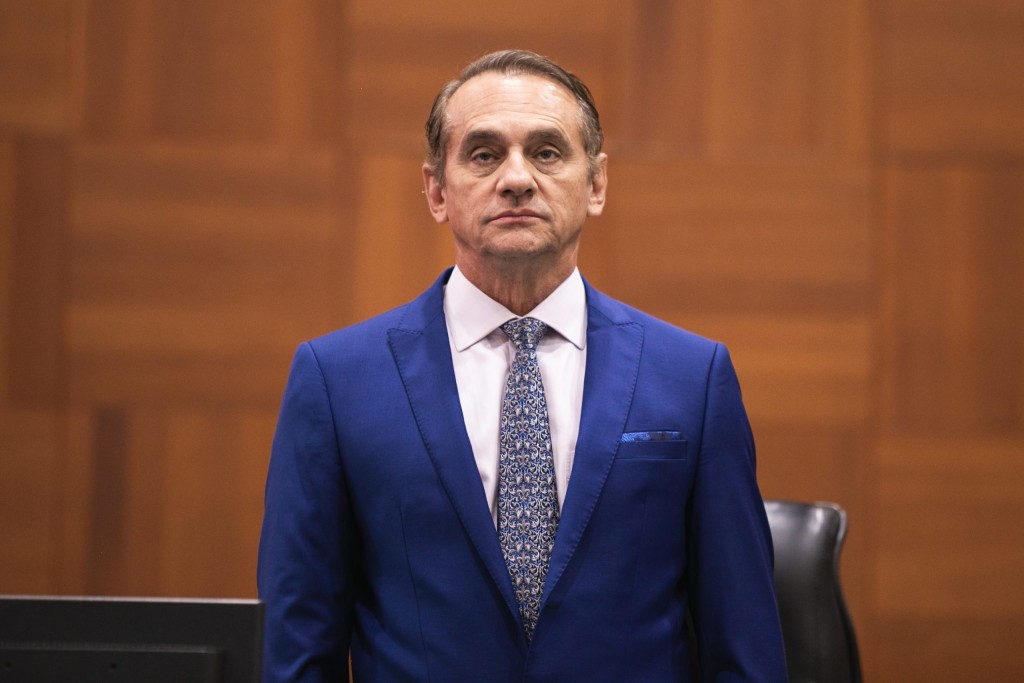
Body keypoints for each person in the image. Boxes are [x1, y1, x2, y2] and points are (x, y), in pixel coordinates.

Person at [258, 49, 787, 682]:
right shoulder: (336, 380)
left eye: (547, 152)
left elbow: (744, 647)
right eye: (484, 155)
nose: (516, 178)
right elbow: (299, 648)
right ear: (436, 190)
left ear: (596, 184)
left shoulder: (693, 378)